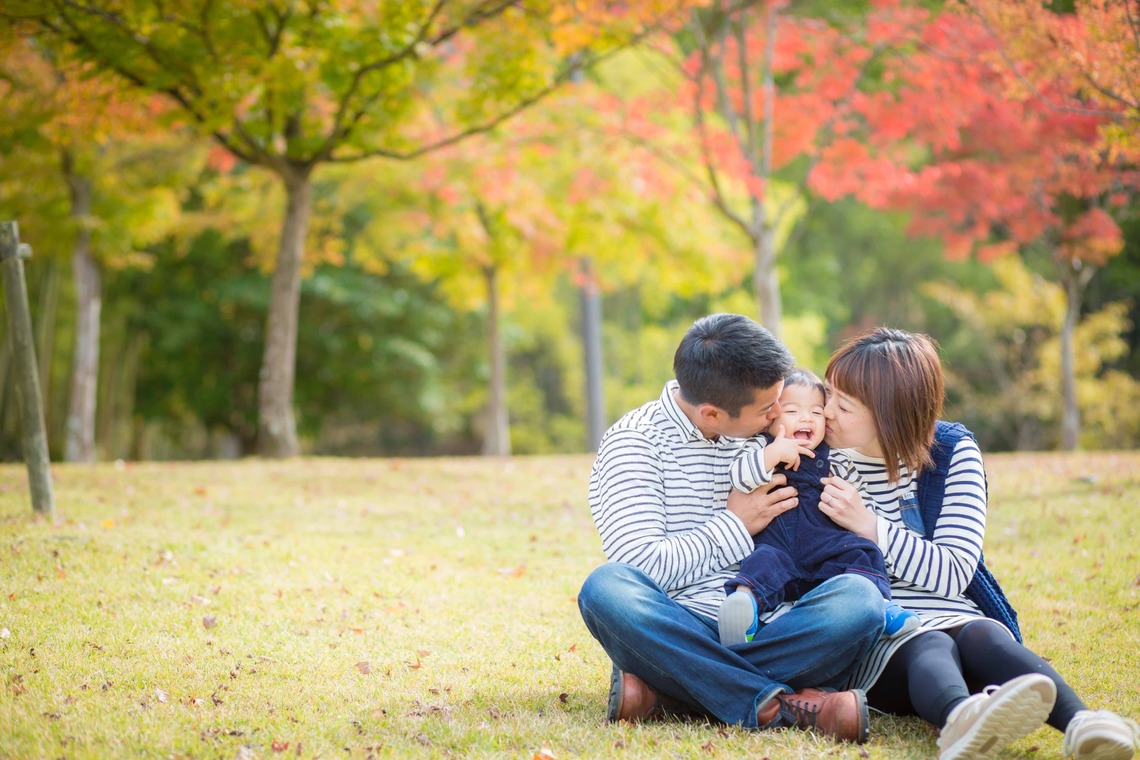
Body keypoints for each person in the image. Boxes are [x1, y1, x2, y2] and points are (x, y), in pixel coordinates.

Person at [814, 327, 1139, 760]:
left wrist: (868, 525)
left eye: (843, 404)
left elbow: (953, 573)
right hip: (879, 630)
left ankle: (1082, 723)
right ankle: (960, 721)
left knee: (984, 634)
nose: (826, 412)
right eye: (828, 394)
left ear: (889, 413)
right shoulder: (820, 458)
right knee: (929, 643)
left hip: (955, 612)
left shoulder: (951, 452)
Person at [577, 313, 885, 744]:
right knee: (606, 589)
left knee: (860, 600)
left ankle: (674, 695)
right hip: (680, 624)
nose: (779, 413)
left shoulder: (762, 434)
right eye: (768, 408)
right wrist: (736, 525)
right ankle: (782, 706)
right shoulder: (634, 445)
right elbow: (642, 565)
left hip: (773, 622)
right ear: (712, 413)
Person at [717, 369, 920, 646]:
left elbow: (859, 498)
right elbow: (739, 477)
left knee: (862, 553)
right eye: (792, 411)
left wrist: (861, 513)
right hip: (776, 543)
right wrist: (772, 454)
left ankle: (881, 605)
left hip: (824, 543)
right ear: (770, 418)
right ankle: (743, 609)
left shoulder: (834, 457)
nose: (806, 418)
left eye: (816, 412)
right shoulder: (759, 447)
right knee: (759, 566)